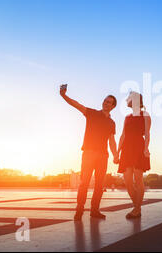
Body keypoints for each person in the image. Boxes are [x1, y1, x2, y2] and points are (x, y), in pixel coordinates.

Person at [60, 84, 119, 221]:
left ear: (113, 106)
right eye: (105, 100)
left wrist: (116, 154)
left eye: (109, 102)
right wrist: (64, 95)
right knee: (84, 182)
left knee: (99, 185)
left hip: (103, 156)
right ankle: (79, 209)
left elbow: (112, 141)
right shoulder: (92, 113)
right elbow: (76, 105)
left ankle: (94, 210)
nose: (106, 103)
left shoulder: (112, 123)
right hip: (88, 153)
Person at [117, 91, 151, 219]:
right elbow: (123, 135)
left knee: (138, 179)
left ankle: (136, 209)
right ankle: (137, 207)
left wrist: (146, 148)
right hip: (126, 149)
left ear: (135, 100)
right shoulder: (127, 117)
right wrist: (117, 152)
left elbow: (147, 134)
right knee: (127, 181)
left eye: (128, 98)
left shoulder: (145, 115)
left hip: (138, 147)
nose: (126, 100)